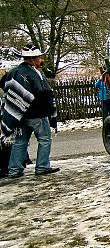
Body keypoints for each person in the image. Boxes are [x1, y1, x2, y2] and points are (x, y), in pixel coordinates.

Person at [1, 45, 60, 178]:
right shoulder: (33, 74)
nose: (41, 60)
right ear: (33, 59)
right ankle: (42, 167)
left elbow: (6, 87)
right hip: (37, 114)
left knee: (20, 142)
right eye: (39, 57)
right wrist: (49, 111)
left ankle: (14, 170)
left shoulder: (14, 72)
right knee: (45, 140)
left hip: (20, 115)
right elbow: (42, 93)